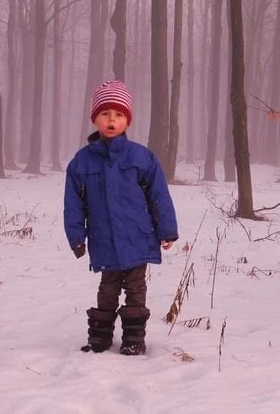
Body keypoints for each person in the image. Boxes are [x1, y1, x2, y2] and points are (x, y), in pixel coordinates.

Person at [64, 80, 179, 355]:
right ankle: (99, 338)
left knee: (136, 288)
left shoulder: (141, 157)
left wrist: (167, 230)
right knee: (108, 288)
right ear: (95, 119)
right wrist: (76, 236)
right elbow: (73, 204)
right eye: (105, 114)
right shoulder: (82, 162)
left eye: (118, 114)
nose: (111, 120)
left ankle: (133, 339)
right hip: (104, 239)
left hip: (138, 236)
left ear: (127, 120)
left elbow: (159, 195)